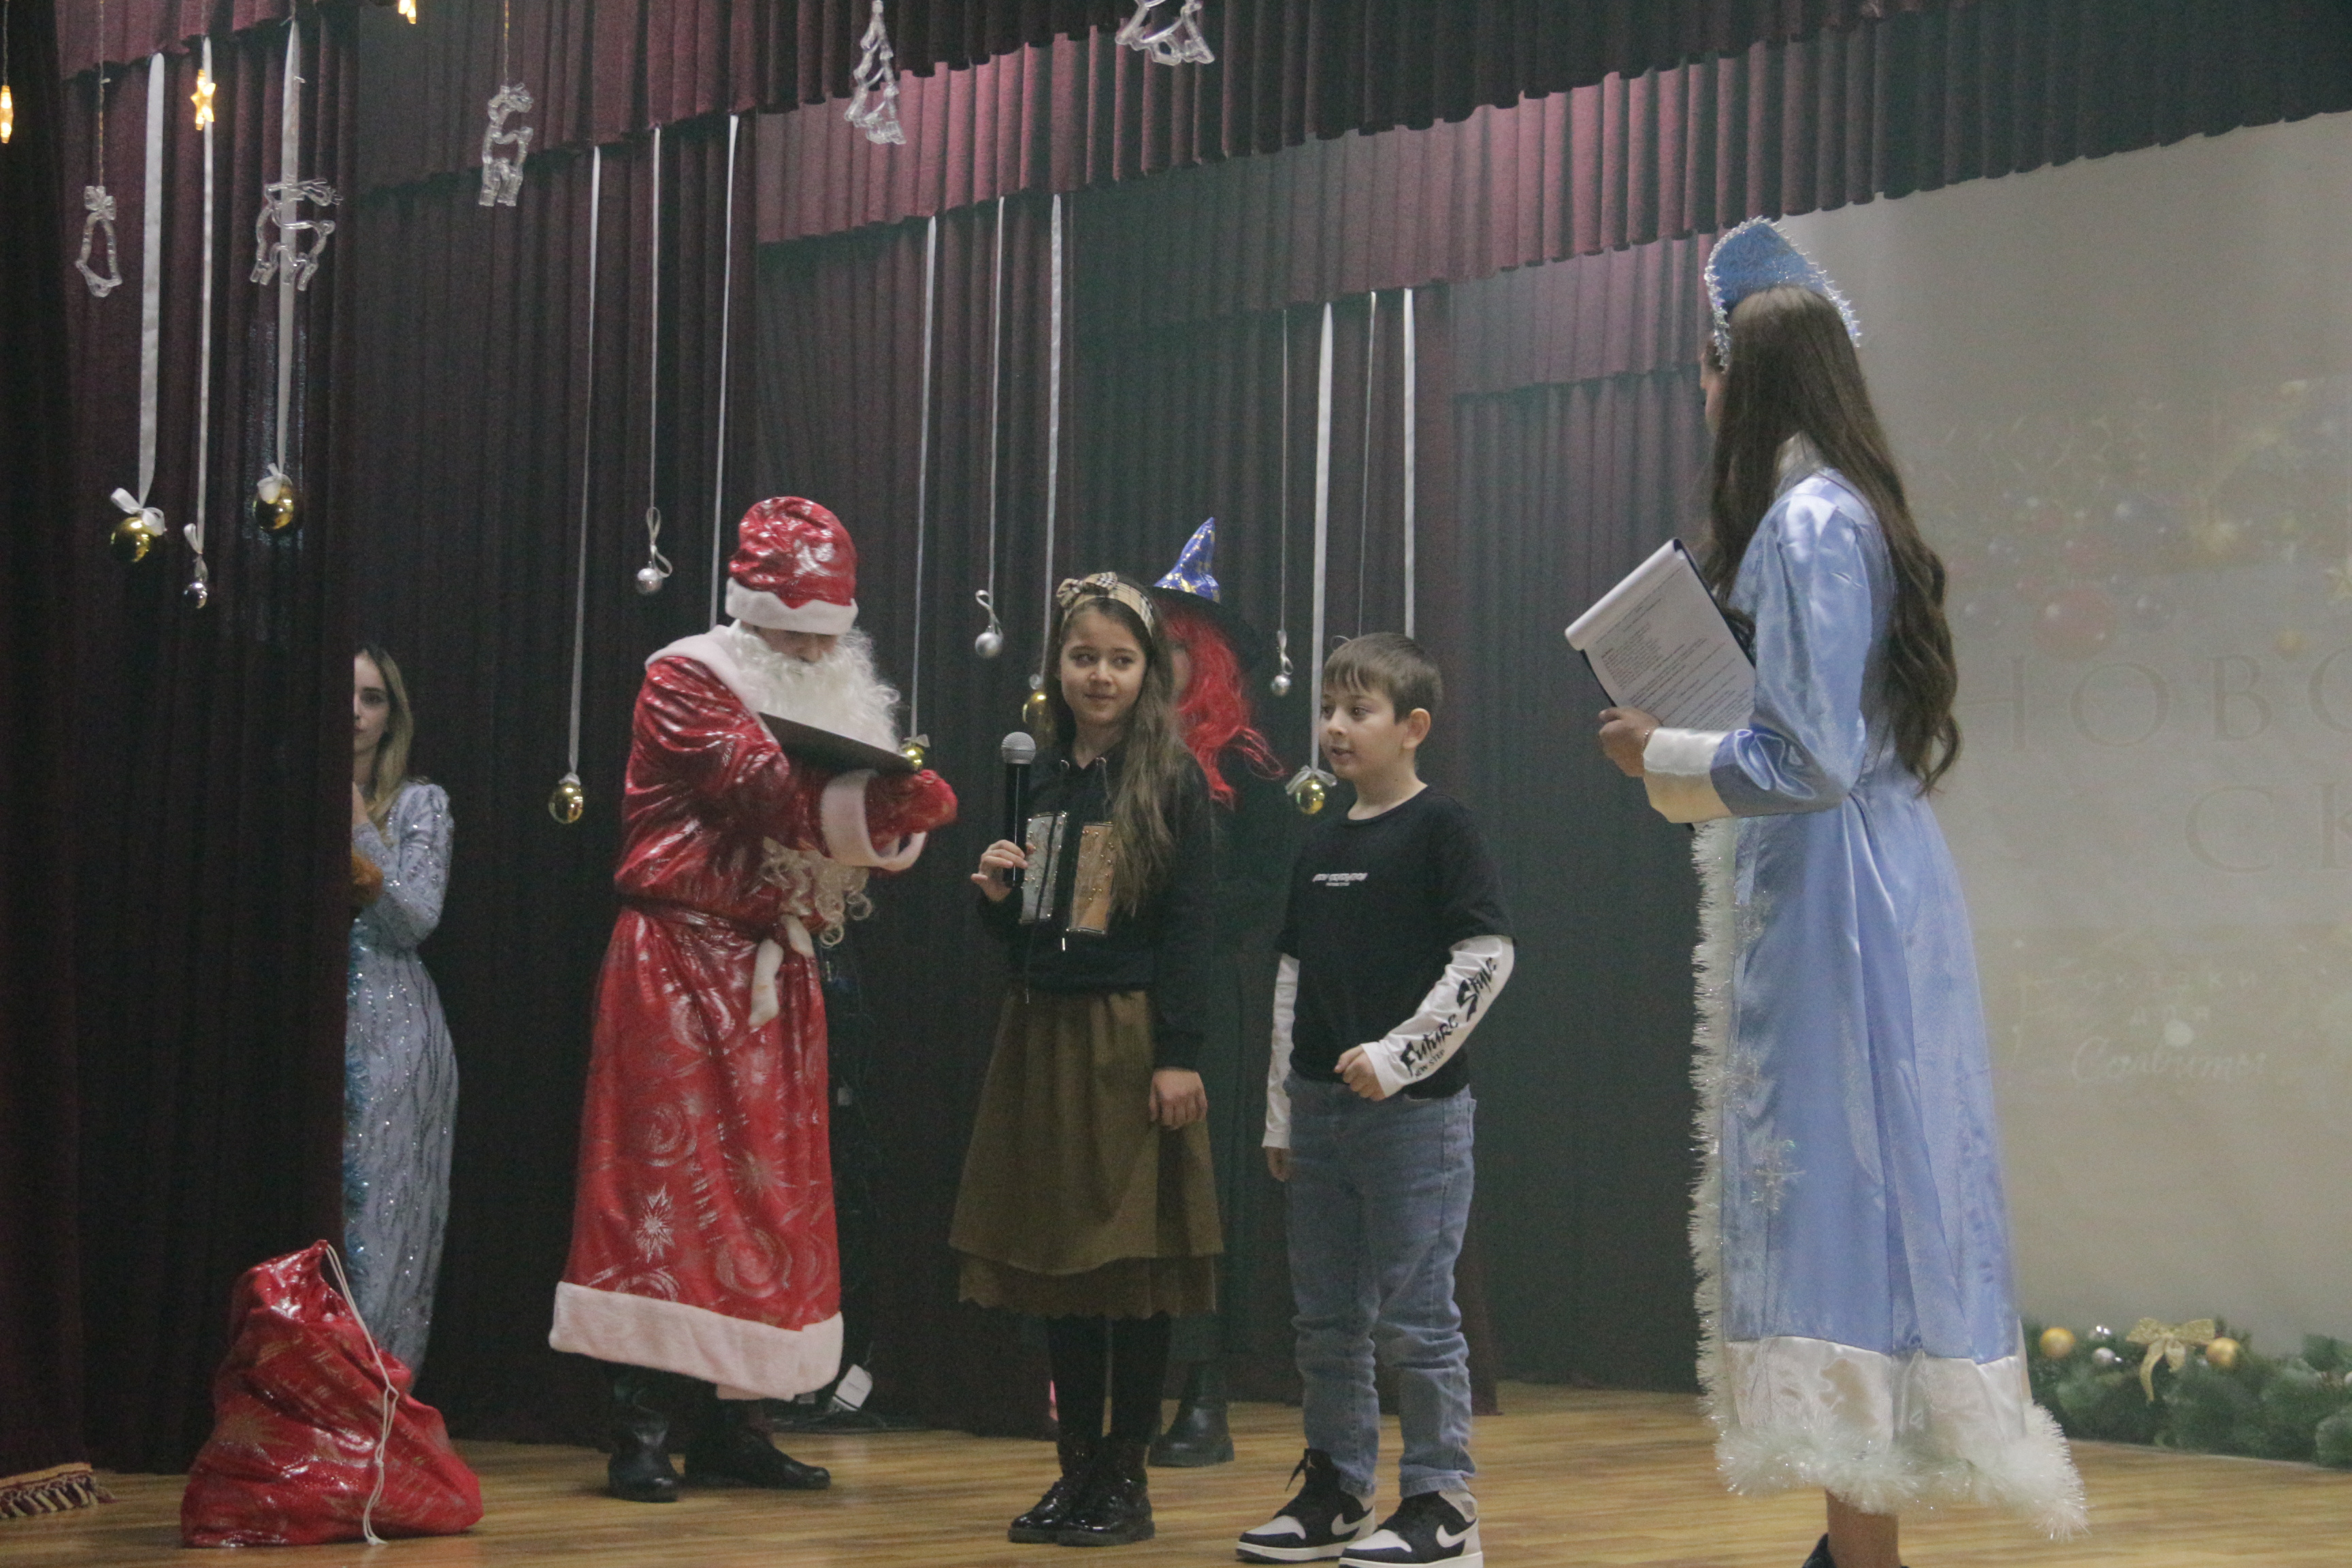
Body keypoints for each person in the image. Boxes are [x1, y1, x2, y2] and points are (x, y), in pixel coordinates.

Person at [1593, 218, 2085, 1568]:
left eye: (1708, 366)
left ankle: (1861, 1551)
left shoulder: (1809, 522)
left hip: (1840, 908)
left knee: (1842, 1197)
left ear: (1748, 375)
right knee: (1857, 1193)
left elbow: (1804, 756)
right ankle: (1854, 1542)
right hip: (1863, 883)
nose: (1702, 392)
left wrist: (1661, 750)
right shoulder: (1837, 512)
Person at [549, 497, 958, 1503]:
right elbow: (763, 788)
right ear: (750, 614)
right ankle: (641, 1428)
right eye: (791, 632)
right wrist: (882, 804)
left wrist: (889, 817)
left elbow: (827, 817)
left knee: (770, 1196)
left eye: (824, 636)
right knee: (657, 1187)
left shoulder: (820, 681)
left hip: (774, 965)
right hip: (677, 959)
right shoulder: (687, 676)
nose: (809, 651)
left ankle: (740, 1423)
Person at [953, 573, 1222, 1548]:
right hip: (1044, 1034)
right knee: (1063, 1263)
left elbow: (1192, 928)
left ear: (1148, 672)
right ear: (1055, 667)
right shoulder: (1038, 775)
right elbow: (1031, 929)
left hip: (1126, 1038)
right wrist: (997, 901)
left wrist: (1178, 1054)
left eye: (1119, 659)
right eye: (1082, 658)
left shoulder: (1170, 779)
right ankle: (1076, 1473)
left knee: (1131, 1268)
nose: (1099, 676)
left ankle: (1125, 1476)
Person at [1242, 632, 1514, 1568]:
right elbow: (1292, 978)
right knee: (1325, 1321)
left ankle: (1443, 1500)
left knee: (1418, 1321)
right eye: (1329, 709)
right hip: (1319, 1116)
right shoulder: (1320, 840)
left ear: (1413, 726)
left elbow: (1486, 958)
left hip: (1416, 1120)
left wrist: (1400, 1058)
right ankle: (1338, 1489)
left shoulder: (1443, 828)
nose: (1335, 727)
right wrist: (1283, 1111)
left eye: (1358, 710)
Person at [1144, 521, 1294, 1468]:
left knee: (1206, 1192)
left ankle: (1204, 1393)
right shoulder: (1108, 756)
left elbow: (1266, 890)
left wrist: (1186, 930)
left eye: (1174, 645)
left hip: (1212, 994)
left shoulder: (1246, 766)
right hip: (1120, 994)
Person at [346, 644, 458, 1375]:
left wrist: (357, 822)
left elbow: (414, 917)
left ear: (392, 717)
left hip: (393, 1035)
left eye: (372, 698)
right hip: (303, 1026)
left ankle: (373, 1399)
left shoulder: (420, 804)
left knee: (380, 1218)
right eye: (344, 694)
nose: (354, 713)